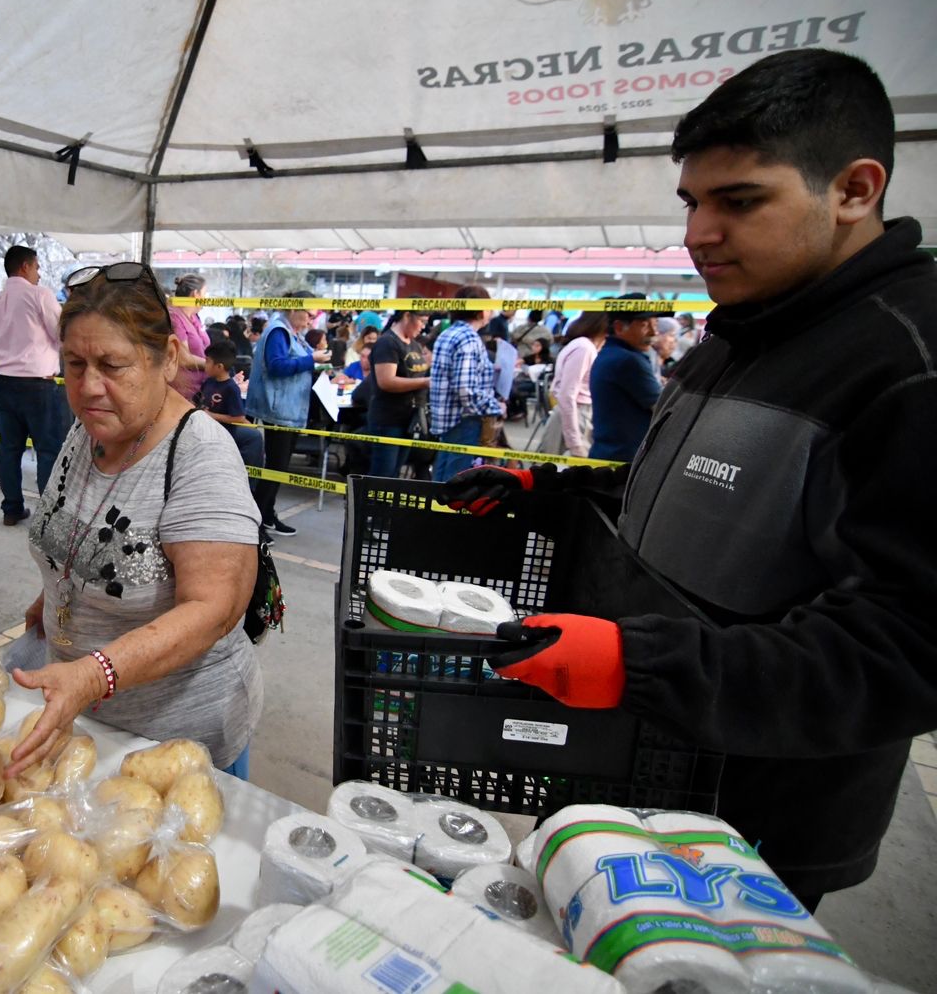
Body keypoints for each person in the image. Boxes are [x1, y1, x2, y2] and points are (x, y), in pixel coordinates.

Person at [440, 47, 937, 912]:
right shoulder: (738, 336)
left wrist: (642, 665)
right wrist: (549, 496)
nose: (698, 232)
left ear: (855, 190)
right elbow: (676, 498)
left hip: (753, 824)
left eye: (739, 202)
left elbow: (906, 647)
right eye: (693, 201)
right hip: (632, 762)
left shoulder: (907, 362)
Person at [6, 263, 262, 778]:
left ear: (166, 359)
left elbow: (213, 610)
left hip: (175, 739)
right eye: (74, 364)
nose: (89, 387)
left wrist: (95, 673)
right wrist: (56, 597)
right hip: (86, 717)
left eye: (112, 365)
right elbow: (81, 531)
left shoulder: (199, 457)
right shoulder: (90, 431)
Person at [0, 244, 67, 526]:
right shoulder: (39, 296)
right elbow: (61, 333)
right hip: (37, 386)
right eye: (37, 267)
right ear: (25, 267)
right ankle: (47, 515)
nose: (39, 274)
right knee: (47, 450)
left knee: (9, 449)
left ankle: (11, 508)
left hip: (3, 383)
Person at [245, 291, 330, 537]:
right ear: (294, 309)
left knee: (280, 468)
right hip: (277, 409)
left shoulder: (292, 333)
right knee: (273, 467)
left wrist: (317, 363)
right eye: (308, 313)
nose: (311, 320)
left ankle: (269, 514)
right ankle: (257, 521)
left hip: (289, 410)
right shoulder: (278, 331)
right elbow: (277, 365)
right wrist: (312, 360)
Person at [428, 286, 503, 481]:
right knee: (455, 481)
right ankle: (445, 512)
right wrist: (494, 406)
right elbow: (465, 390)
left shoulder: (448, 333)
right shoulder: (469, 339)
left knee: (441, 475)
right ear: (480, 310)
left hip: (446, 417)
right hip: (464, 419)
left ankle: (434, 511)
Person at [587, 295, 662, 461]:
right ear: (620, 327)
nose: (653, 331)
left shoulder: (611, 354)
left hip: (609, 453)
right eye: (644, 324)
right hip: (624, 459)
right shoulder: (629, 361)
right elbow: (663, 408)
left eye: (655, 323)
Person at [365, 310, 431, 478]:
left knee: (394, 475)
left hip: (409, 419)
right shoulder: (388, 343)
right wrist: (424, 382)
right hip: (388, 419)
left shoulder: (414, 344)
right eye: (421, 321)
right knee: (383, 474)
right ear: (407, 316)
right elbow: (386, 381)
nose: (423, 327)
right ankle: (369, 504)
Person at [538, 310, 606, 457]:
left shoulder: (582, 346)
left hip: (572, 415)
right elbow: (567, 395)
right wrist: (574, 442)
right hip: (574, 416)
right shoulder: (584, 348)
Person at [197, 339, 265, 469]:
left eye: (207, 362)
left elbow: (238, 417)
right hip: (207, 430)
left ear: (219, 367)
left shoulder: (231, 388)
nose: (204, 365)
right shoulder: (208, 382)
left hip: (224, 433)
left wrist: (211, 415)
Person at [167, 273, 210, 400]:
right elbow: (183, 358)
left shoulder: (194, 318)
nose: (207, 299)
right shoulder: (174, 317)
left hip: (200, 390)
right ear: (196, 294)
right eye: (205, 294)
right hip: (182, 393)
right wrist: (214, 365)